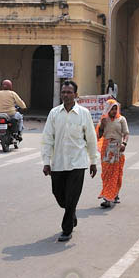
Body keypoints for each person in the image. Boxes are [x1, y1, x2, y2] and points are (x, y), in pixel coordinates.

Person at [41, 80, 99, 242]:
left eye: (69, 92)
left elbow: (91, 139)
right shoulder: (54, 113)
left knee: (72, 196)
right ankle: (71, 213)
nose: (65, 95)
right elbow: (47, 138)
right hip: (58, 163)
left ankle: (66, 229)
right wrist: (46, 161)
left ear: (76, 95)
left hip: (78, 163)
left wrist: (93, 161)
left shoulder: (83, 113)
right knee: (60, 196)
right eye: (63, 92)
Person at [96, 99, 130, 209]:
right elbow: (99, 136)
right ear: (108, 109)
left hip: (117, 149)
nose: (114, 111)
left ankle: (111, 195)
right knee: (106, 173)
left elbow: (126, 134)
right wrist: (101, 126)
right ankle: (107, 195)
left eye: (116, 109)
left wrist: (124, 143)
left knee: (116, 172)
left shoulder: (121, 119)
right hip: (106, 150)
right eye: (112, 109)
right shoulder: (104, 120)